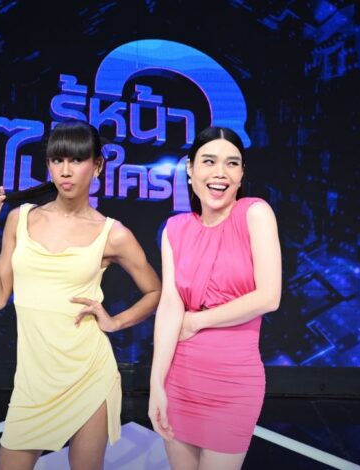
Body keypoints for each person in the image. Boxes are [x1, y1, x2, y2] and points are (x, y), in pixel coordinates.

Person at [0, 120, 161, 470]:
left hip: (89, 374)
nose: (66, 170)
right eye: (58, 160)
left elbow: (154, 290)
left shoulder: (112, 234)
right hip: (34, 381)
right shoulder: (20, 219)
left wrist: (115, 322)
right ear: (48, 165)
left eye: (77, 160)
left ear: (97, 166)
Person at [148, 126, 282, 470]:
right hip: (180, 378)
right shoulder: (175, 229)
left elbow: (269, 297)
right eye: (209, 161)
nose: (220, 172)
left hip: (234, 382)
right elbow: (170, 304)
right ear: (190, 169)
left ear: (241, 174)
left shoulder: (255, 213)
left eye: (232, 163)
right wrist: (156, 383)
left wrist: (197, 320)